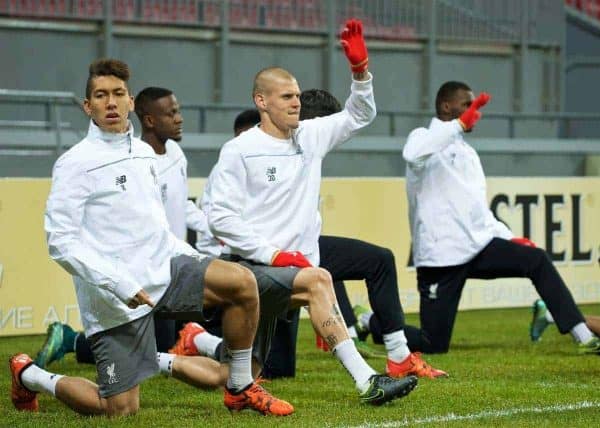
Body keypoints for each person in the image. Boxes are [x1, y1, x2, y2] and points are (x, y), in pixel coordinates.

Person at [9, 58, 293, 417]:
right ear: (88, 106)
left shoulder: (144, 154)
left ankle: (239, 385)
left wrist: (191, 255)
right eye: (100, 96)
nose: (110, 103)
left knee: (242, 281)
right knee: (118, 409)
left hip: (164, 270)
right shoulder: (75, 163)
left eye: (118, 94)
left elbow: (154, 225)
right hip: (114, 297)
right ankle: (29, 374)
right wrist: (118, 283)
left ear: (130, 101)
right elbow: (61, 241)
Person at [175, 19, 418, 405]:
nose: (295, 103)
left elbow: (360, 115)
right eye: (286, 96)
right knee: (319, 281)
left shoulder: (310, 136)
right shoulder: (240, 150)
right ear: (261, 101)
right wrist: (273, 254)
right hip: (251, 270)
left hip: (288, 271)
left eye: (297, 96)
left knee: (237, 375)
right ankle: (368, 381)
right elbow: (218, 216)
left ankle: (162, 358)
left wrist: (360, 73)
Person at [402, 80, 600, 354]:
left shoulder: (468, 152)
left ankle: (583, 337)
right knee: (433, 344)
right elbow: (412, 155)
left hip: (477, 246)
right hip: (441, 257)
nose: (475, 113)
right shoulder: (421, 137)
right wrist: (458, 125)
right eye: (467, 105)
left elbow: (478, 211)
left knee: (537, 260)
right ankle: (368, 322)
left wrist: (510, 237)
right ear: (447, 106)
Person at [33, 86, 216, 368]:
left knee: (217, 298)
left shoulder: (176, 154)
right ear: (150, 120)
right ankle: (72, 341)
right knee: (152, 350)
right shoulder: (131, 161)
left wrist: (208, 229)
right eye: (172, 113)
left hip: (173, 261)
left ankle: (207, 348)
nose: (179, 119)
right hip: (140, 270)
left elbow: (182, 206)